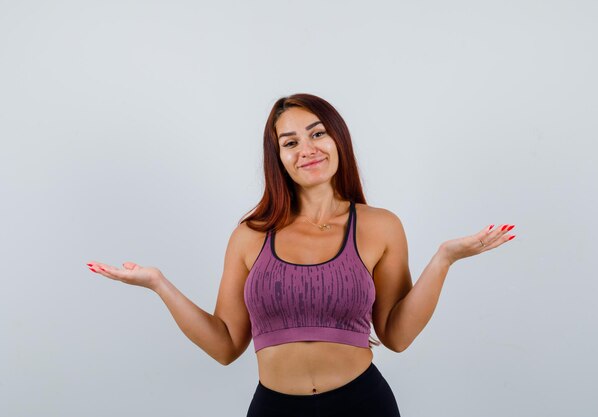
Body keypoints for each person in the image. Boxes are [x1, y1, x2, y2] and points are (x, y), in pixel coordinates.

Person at [86, 93, 516, 416]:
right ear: (279, 158)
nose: (307, 149)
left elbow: (396, 336)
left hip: (362, 404)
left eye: (317, 133)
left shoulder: (380, 225)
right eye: (290, 142)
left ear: (337, 140)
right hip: (274, 409)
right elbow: (225, 345)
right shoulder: (250, 235)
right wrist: (159, 284)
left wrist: (443, 259)